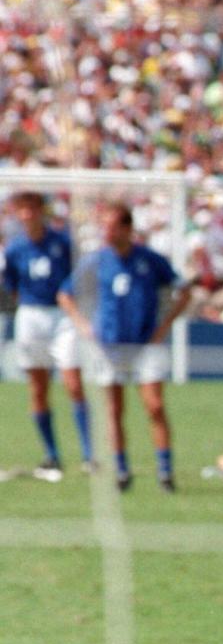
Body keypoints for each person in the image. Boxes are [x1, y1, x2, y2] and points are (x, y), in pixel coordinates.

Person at [57, 202, 194, 492]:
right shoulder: (96, 261)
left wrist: (164, 326)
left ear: (127, 229)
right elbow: (66, 295)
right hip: (110, 346)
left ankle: (165, 472)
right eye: (104, 226)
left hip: (145, 344)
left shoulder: (150, 260)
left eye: (112, 226)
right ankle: (121, 470)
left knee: (154, 405)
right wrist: (84, 325)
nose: (107, 232)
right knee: (114, 410)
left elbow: (184, 291)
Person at [2, 191, 93, 479]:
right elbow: (11, 286)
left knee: (73, 383)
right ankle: (51, 455)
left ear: (41, 210)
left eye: (31, 208)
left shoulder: (62, 242)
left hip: (61, 315)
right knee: (38, 388)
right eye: (22, 209)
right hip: (31, 315)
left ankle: (89, 455)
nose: (27, 215)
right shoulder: (15, 249)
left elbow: (78, 276)